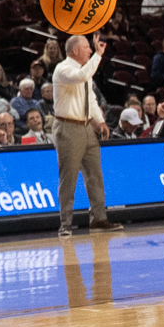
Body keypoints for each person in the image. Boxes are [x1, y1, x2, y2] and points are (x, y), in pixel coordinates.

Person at [52, 34, 120, 236]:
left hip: (86, 127)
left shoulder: (85, 71)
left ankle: (99, 219)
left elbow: (90, 98)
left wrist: (99, 121)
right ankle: (65, 224)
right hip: (68, 127)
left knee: (95, 175)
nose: (90, 50)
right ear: (74, 51)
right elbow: (81, 76)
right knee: (69, 177)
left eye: (91, 49)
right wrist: (98, 55)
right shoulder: (63, 69)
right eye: (86, 47)